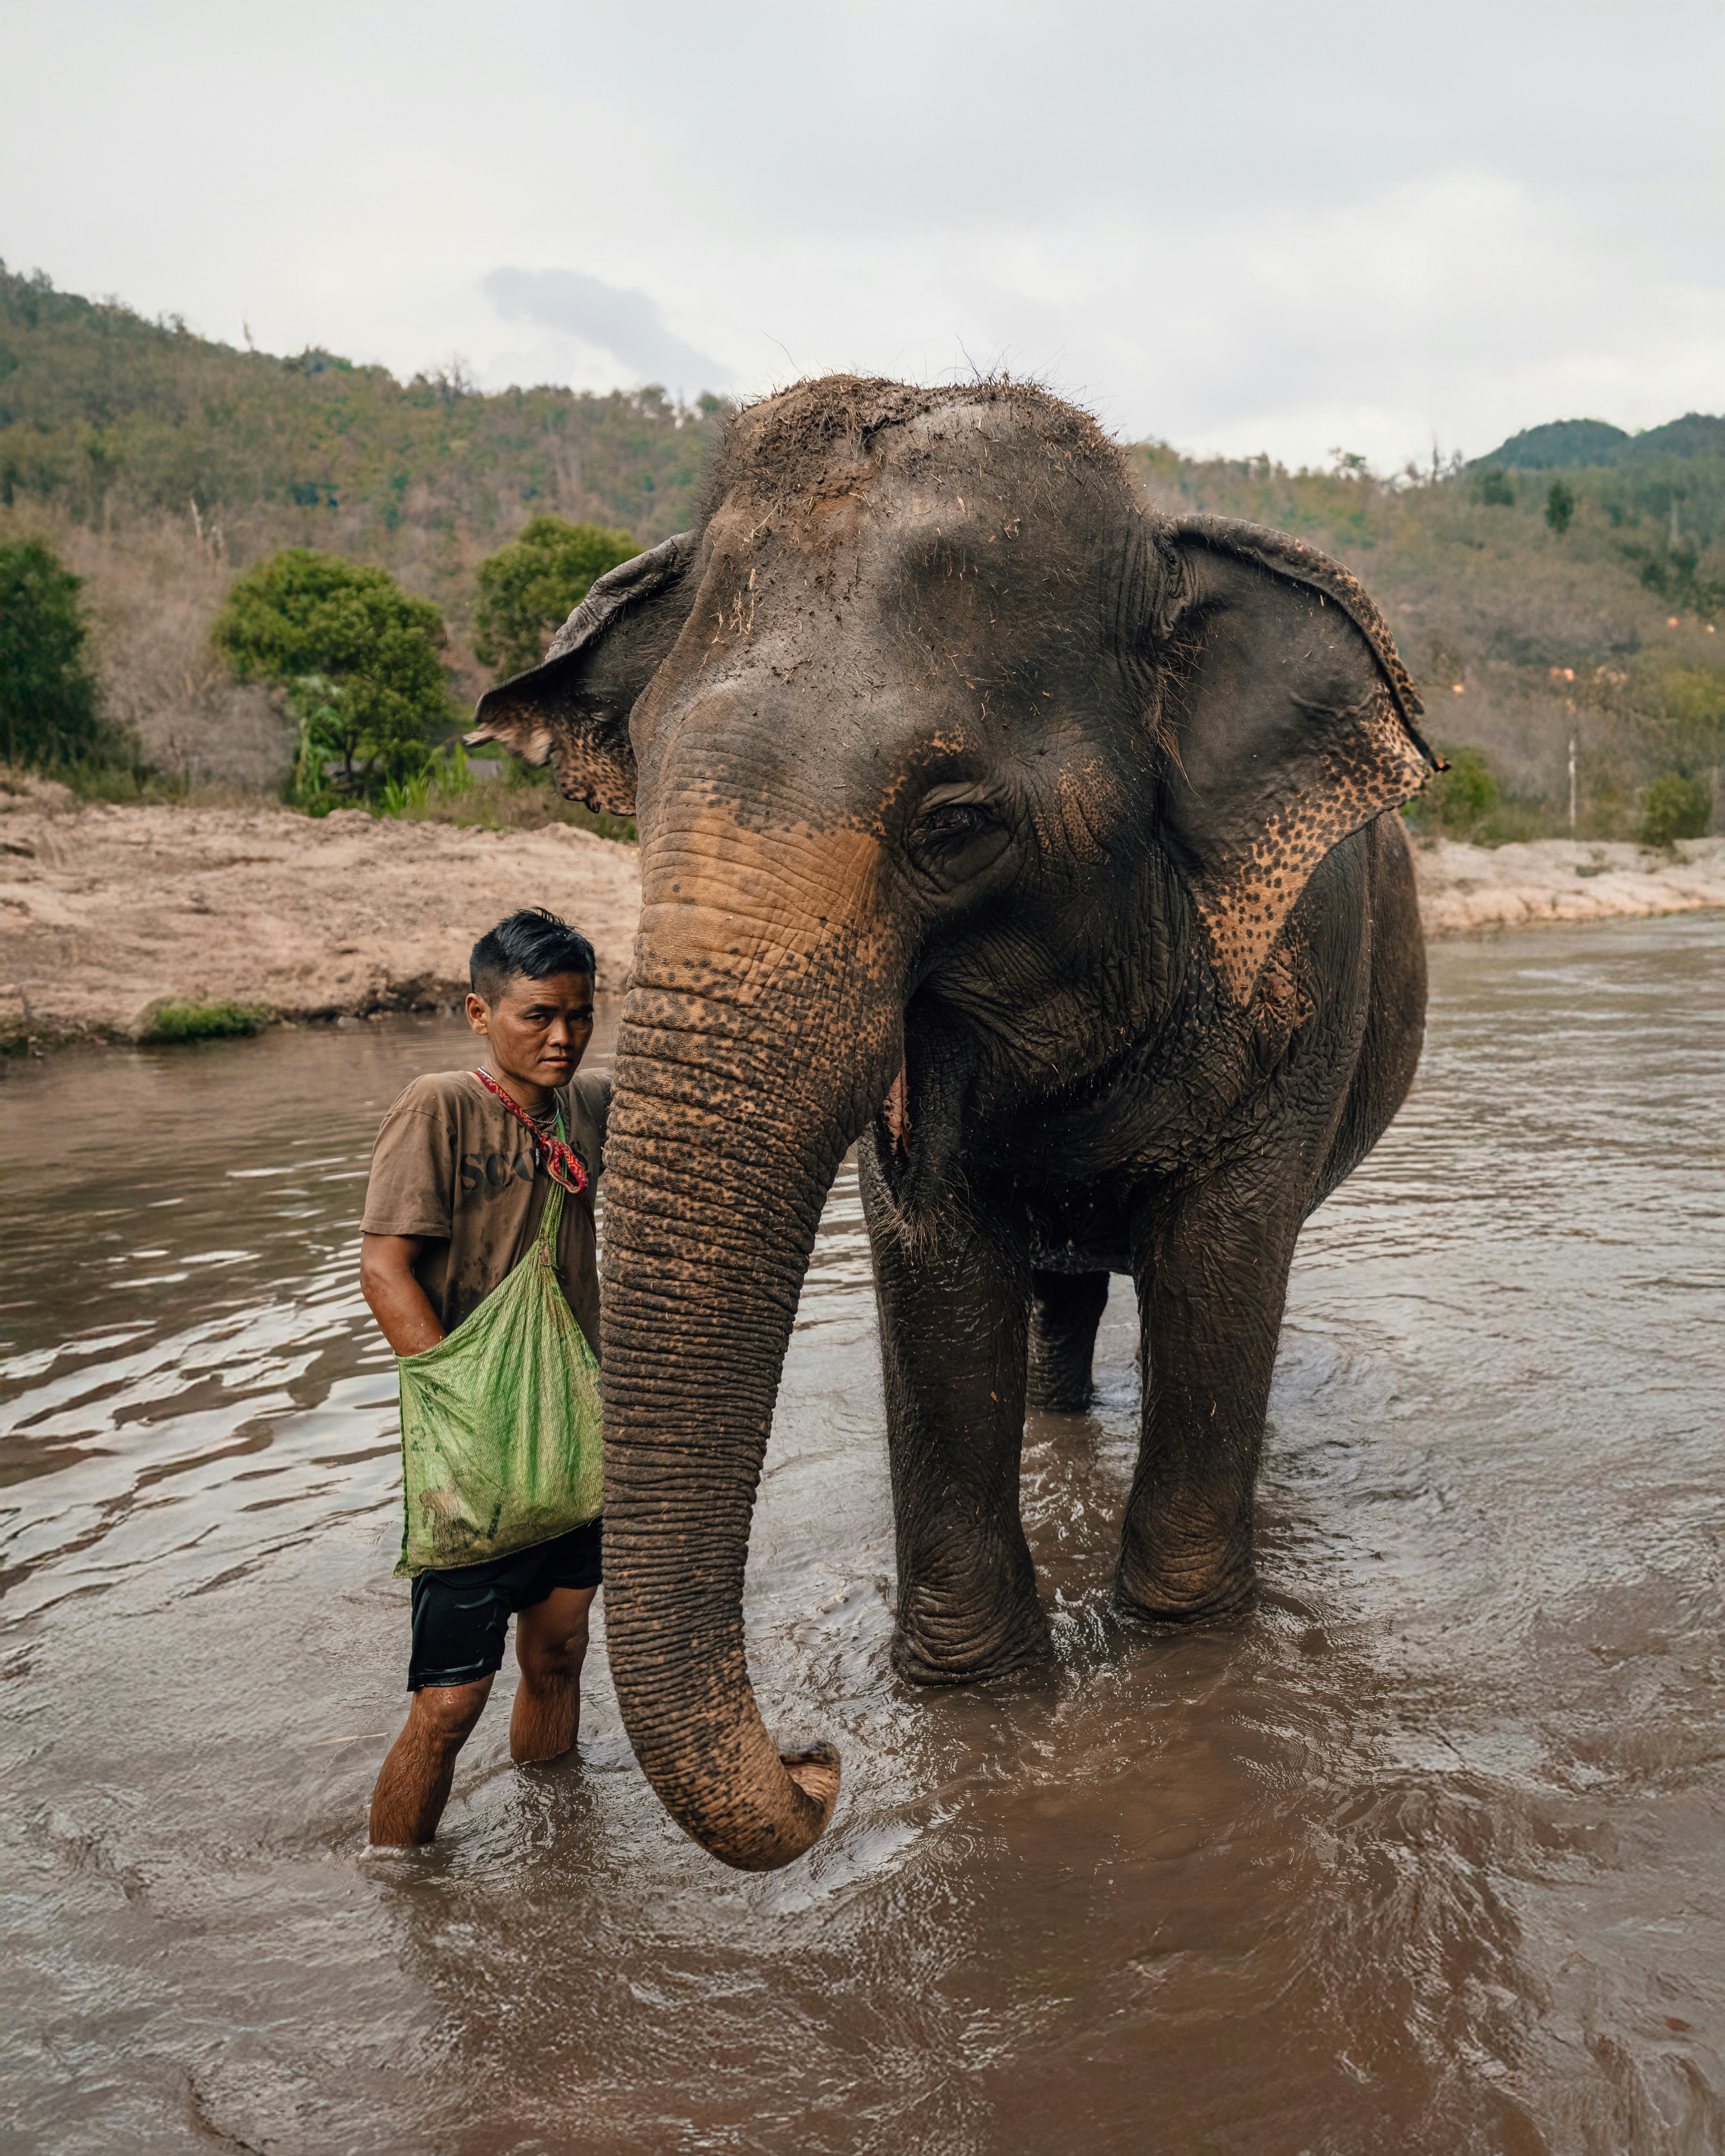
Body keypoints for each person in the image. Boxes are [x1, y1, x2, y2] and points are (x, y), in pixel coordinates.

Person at [359, 907, 611, 1847]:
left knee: (560, 1654)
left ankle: (557, 1837)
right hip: (474, 1447)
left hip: (569, 1437)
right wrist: (460, 1409)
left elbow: (707, 1106)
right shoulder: (441, 1107)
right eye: (537, 1016)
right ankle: (399, 1883)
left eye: (580, 1016)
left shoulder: (587, 1108)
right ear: (479, 1012)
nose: (562, 1038)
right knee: (449, 1704)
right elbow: (383, 1268)